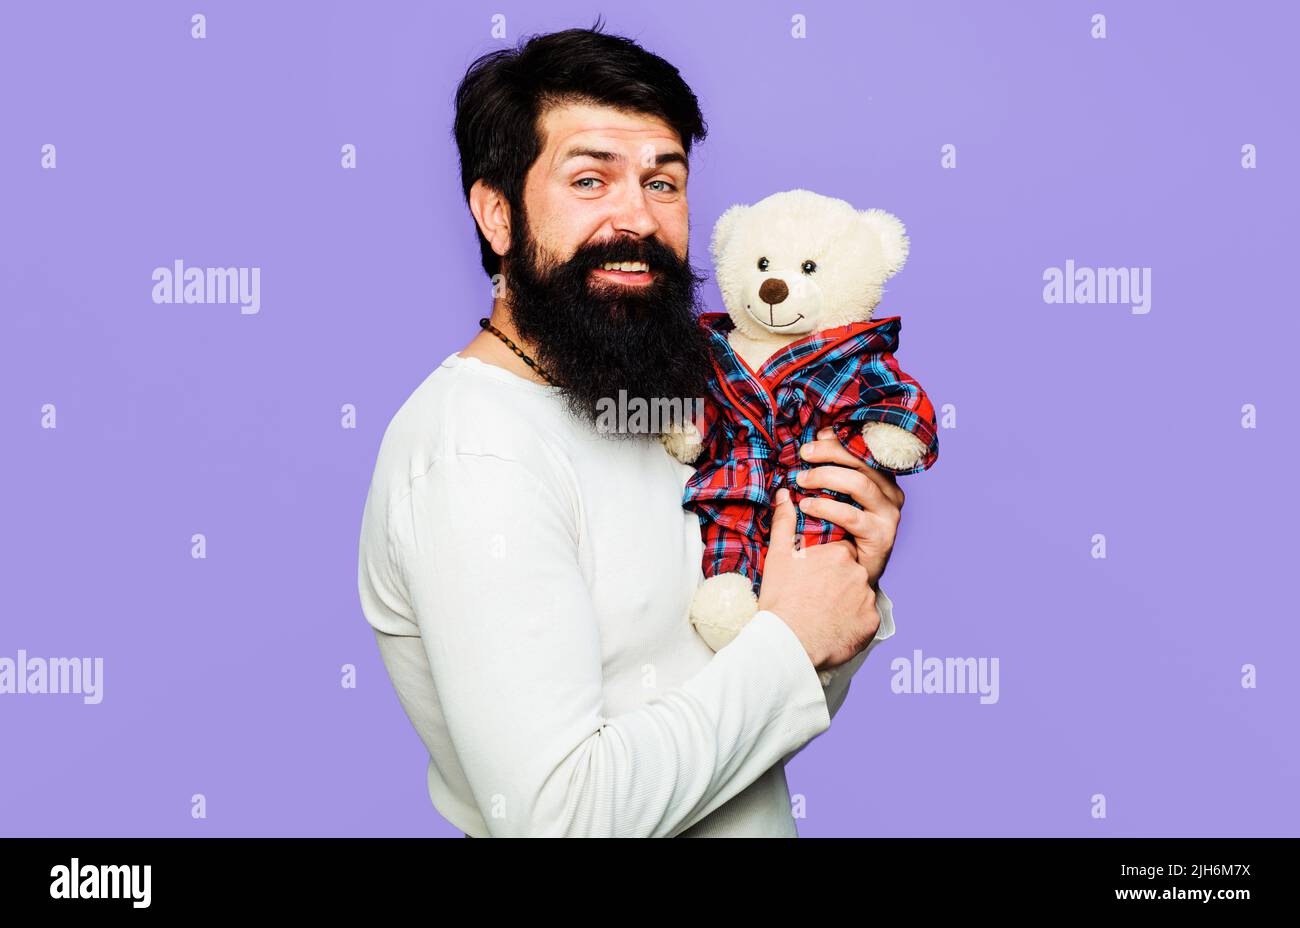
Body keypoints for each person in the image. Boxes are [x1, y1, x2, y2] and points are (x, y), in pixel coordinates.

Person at [356, 21, 908, 837]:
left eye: (663, 182)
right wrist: (793, 641)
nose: (639, 219)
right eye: (590, 181)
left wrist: (837, 584)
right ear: (497, 214)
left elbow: (751, 710)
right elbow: (561, 818)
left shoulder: (663, 402)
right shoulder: (474, 454)